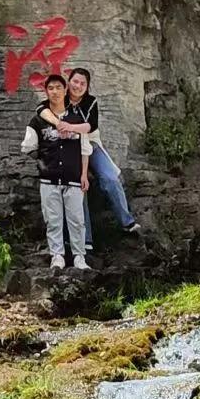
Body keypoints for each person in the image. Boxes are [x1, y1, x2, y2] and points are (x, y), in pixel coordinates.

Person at [36, 67, 140, 251]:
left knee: (109, 178)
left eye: (83, 84)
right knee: (78, 189)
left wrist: (70, 126)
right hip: (69, 149)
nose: (78, 86)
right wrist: (58, 123)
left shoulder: (91, 102)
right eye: (75, 81)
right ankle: (85, 240)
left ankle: (127, 221)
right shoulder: (62, 98)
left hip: (91, 145)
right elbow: (41, 108)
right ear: (69, 83)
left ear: (87, 87)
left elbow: (90, 126)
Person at [28, 74, 91, 271]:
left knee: (77, 219)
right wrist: (44, 159)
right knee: (53, 219)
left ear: (66, 90)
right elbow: (28, 146)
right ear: (46, 92)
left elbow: (85, 148)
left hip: (73, 178)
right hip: (49, 178)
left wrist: (83, 175)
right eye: (51, 88)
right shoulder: (38, 120)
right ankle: (57, 255)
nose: (55, 91)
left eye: (58, 87)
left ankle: (79, 256)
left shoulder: (78, 118)